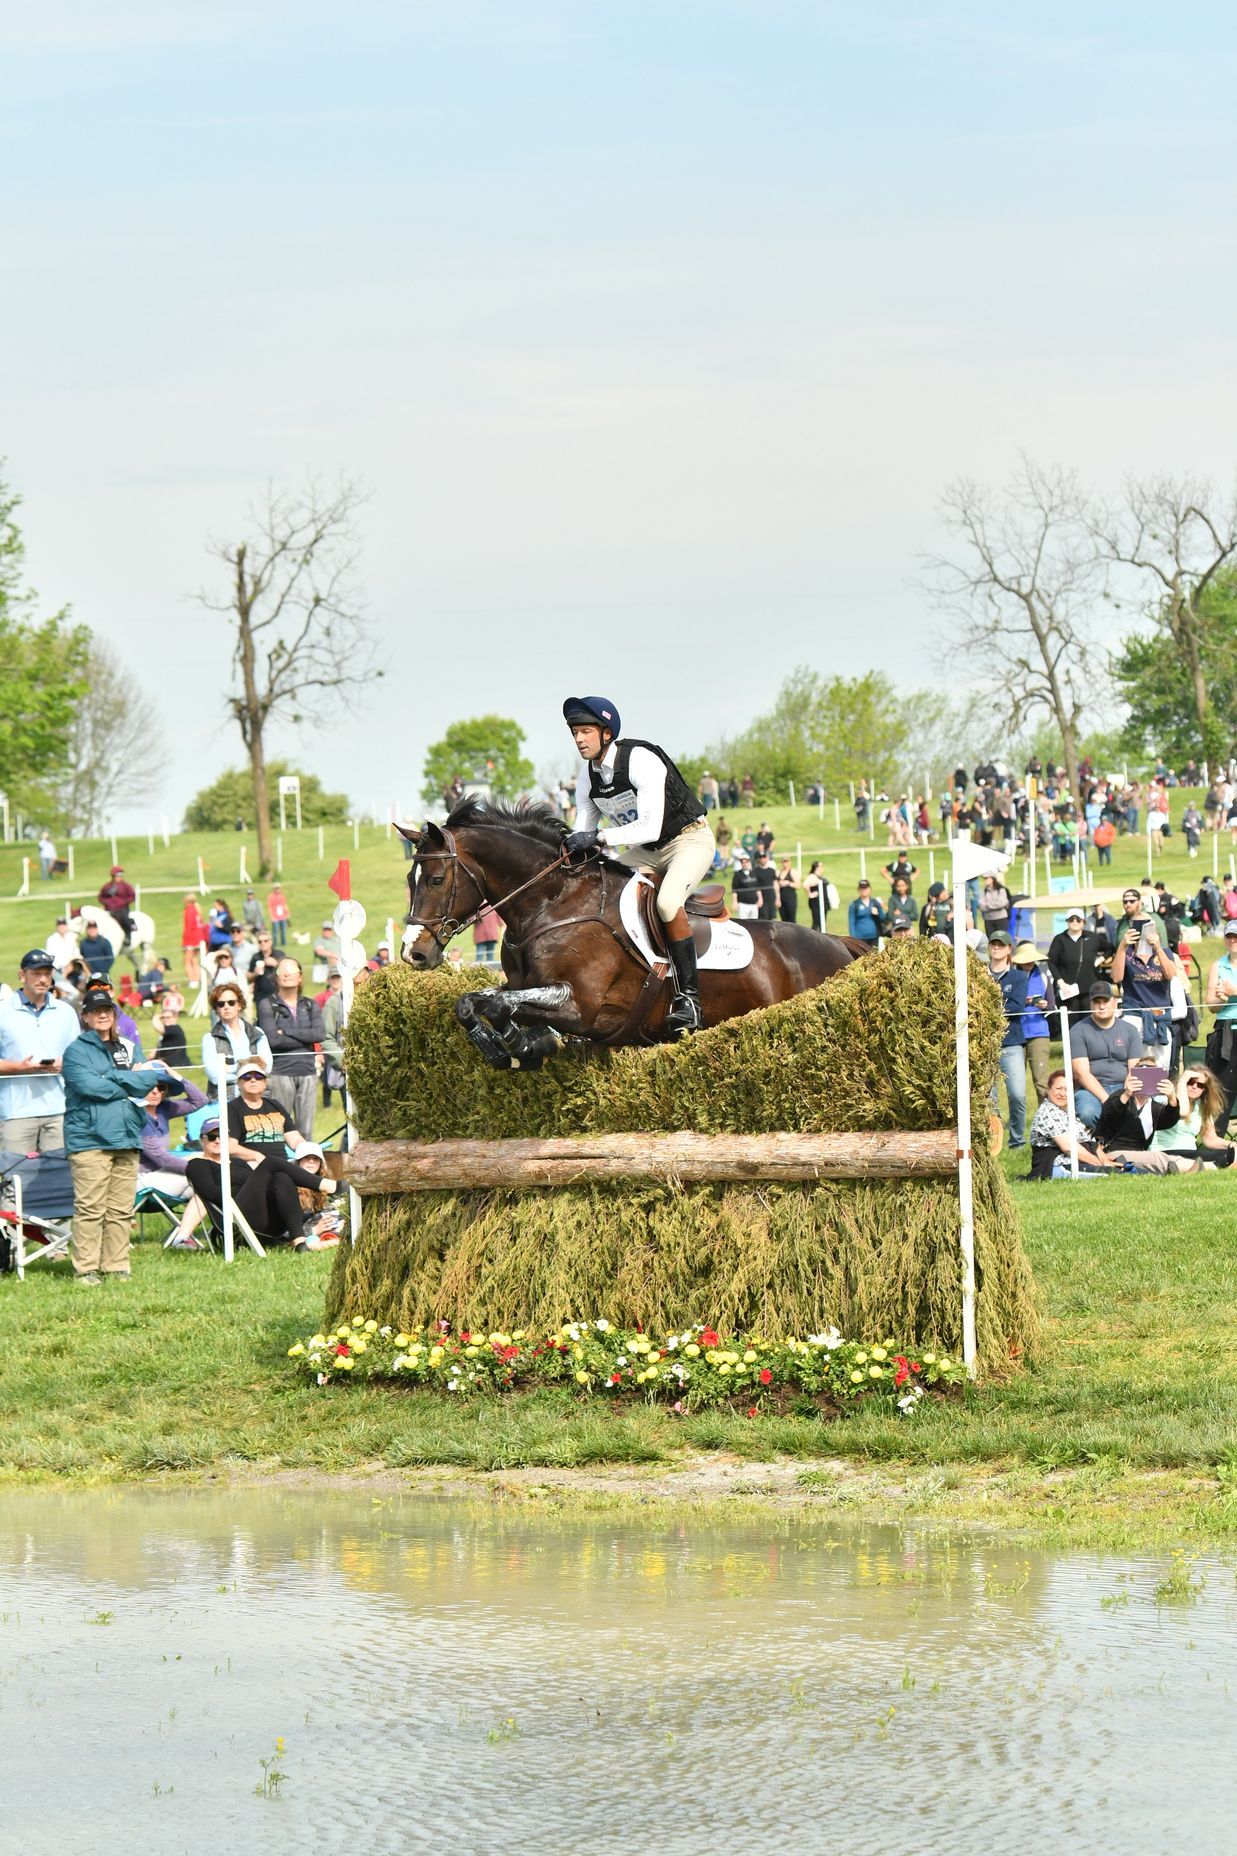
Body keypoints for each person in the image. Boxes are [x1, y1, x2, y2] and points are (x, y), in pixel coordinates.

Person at [561, 695, 716, 1035]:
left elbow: (648, 826)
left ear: (606, 733)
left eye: (585, 731)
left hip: (688, 841)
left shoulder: (640, 759)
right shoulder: (588, 778)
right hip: (647, 851)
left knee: (666, 902)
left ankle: (689, 1001)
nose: (578, 739)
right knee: (597, 889)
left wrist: (598, 840)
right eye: (574, 732)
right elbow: (583, 832)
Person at [61, 989, 164, 1283]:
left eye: (107, 1009)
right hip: (90, 1139)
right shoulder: (76, 1051)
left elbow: (148, 1081)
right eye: (96, 1011)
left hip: (128, 1135)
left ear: (115, 1014)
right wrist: (127, 1079)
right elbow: (90, 1087)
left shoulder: (130, 1047)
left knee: (120, 1209)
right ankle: (87, 1269)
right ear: (86, 1017)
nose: (102, 1014)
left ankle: (117, 1266)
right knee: (91, 1208)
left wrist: (115, 1078)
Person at [179, 1117, 339, 1251]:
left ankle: (299, 1243)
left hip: (266, 1219)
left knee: (281, 1178)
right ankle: (331, 1186)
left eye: (222, 1136)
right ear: (202, 1140)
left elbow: (259, 1188)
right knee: (270, 1162)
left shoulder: (238, 1163)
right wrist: (245, 1188)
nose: (218, 1140)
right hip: (234, 1218)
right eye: (212, 1137)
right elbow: (210, 1193)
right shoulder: (198, 1164)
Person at [0, 949, 81, 1151]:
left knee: (58, 1178)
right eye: (36, 973)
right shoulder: (3, 1012)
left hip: (59, 1109)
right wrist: (19, 1067)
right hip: (15, 1111)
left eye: (47, 973)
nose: (43, 979)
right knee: (16, 1178)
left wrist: (66, 1063)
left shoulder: (66, 1012)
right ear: (22, 975)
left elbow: (80, 1057)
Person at [257, 958, 326, 1137]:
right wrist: (304, 1038)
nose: (286, 975)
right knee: (278, 1129)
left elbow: (319, 1034)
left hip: (308, 1072)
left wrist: (285, 1031)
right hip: (281, 1072)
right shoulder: (267, 1004)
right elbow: (272, 1040)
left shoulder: (310, 1005)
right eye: (282, 972)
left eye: (291, 971)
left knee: (306, 1131)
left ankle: (304, 1164)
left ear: (300, 977)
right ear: (277, 978)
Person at [1109, 887, 1174, 1060]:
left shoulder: (1164, 952)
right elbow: (1116, 978)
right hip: (1134, 1014)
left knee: (1161, 1067)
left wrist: (1158, 947)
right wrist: (1122, 947)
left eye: (1147, 927)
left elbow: (1170, 975)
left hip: (1159, 1014)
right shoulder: (1127, 953)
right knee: (1135, 1064)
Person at [1069, 981, 1142, 1130]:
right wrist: (1108, 1100)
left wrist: (1125, 1095)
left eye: (1105, 1001)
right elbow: (1081, 1074)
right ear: (1090, 1004)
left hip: (1126, 1087)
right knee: (1087, 1112)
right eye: (1097, 1002)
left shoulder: (1130, 1030)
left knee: (1152, 1105)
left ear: (1114, 1002)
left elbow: (1135, 1069)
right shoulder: (1078, 1031)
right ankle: (1098, 1143)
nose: (1101, 1006)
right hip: (1091, 1090)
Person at [1028, 1070, 1121, 1179]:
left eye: (1067, 1090)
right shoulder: (1047, 1113)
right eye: (1058, 1089)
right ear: (1048, 1090)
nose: (1062, 1094)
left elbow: (1088, 1141)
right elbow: (1069, 1147)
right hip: (1056, 1167)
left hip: (1075, 1162)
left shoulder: (1066, 1112)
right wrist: (1101, 1165)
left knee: (1123, 1165)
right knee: (1112, 1173)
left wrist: (1104, 1159)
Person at [139, 1071, 209, 1201]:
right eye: (149, 1087)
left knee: (208, 1163)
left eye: (160, 1087)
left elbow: (200, 1100)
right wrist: (200, 1169)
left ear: (165, 1091)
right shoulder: (138, 1117)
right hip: (144, 1178)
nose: (155, 1092)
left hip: (163, 1172)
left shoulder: (163, 1109)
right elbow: (162, 1159)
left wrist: (176, 1076)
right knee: (204, 1178)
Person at [1095, 1068, 1181, 1172]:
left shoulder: (1153, 1106)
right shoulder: (1120, 1096)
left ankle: (1202, 1166)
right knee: (1158, 1158)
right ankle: (1187, 1168)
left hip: (1138, 1156)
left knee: (1171, 1158)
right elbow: (1108, 1116)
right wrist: (1126, 1094)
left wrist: (1172, 1097)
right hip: (1113, 1155)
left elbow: (1168, 1122)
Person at [1151, 1066, 1236, 1170]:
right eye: (1190, 1082)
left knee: (1230, 1153)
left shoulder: (1201, 1106)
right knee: (1222, 1157)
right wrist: (1182, 1081)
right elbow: (1182, 1112)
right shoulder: (1169, 1099)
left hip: (1191, 1153)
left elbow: (1210, 1139)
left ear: (1205, 1089)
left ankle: (1191, 1168)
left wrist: (1232, 1144)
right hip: (1164, 1152)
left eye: (1200, 1085)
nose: (1195, 1086)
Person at [988, 932, 1028, 1148]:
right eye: (993, 944)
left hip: (1011, 1043)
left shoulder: (1019, 977)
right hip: (986, 1045)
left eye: (1000, 945)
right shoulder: (979, 974)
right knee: (989, 1098)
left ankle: (1018, 1140)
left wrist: (989, 1007)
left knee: (1018, 1094)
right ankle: (994, 1141)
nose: (996, 948)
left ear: (1008, 949)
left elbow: (1017, 1007)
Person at [201, 983, 273, 1096]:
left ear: (239, 1005)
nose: (226, 1007)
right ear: (216, 1009)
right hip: (226, 1101)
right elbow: (215, 1077)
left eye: (231, 1002)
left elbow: (267, 1068)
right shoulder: (209, 1039)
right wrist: (252, 1071)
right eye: (220, 1004)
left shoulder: (258, 1033)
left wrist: (229, 1068)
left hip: (258, 1099)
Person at [227, 1057, 307, 1157]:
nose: (253, 1080)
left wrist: (308, 1149)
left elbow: (294, 1139)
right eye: (247, 1077)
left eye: (258, 1076)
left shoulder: (275, 1106)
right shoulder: (231, 1109)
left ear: (265, 1083)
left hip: (281, 1164)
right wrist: (256, 1156)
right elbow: (230, 1147)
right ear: (239, 1083)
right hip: (250, 1165)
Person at [1204, 924, 1237, 1134]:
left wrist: (1235, 992)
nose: (1232, 940)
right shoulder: (1218, 966)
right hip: (1225, 1033)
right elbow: (1211, 1005)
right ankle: (1216, 1142)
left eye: (1236, 936)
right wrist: (1222, 999)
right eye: (1229, 936)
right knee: (1223, 1088)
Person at [1010, 941, 1052, 1100]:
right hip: (1015, 1033)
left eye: (1032, 959)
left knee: (1042, 1083)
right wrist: (1022, 1002)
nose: (1029, 962)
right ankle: (1017, 1124)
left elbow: (1052, 1006)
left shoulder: (1043, 976)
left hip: (1039, 1032)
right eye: (1026, 959)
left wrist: (1044, 1005)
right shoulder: (1010, 976)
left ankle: (1046, 1119)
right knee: (1016, 1085)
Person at [98, 865, 137, 946]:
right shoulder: (107, 887)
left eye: (120, 876)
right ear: (112, 876)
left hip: (122, 909)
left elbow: (132, 896)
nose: (119, 877)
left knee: (124, 919)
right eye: (117, 876)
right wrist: (106, 902)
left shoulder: (126, 886)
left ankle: (127, 937)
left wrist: (123, 902)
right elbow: (101, 897)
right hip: (109, 909)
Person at [151, 997, 190, 1068]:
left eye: (168, 1017)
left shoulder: (174, 1029)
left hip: (176, 1063)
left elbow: (158, 1027)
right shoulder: (169, 1030)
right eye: (163, 1018)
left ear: (175, 1018)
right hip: (168, 1062)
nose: (165, 1020)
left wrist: (156, 1017)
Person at [847, 879, 886, 947]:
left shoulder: (875, 903)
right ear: (858, 889)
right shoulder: (854, 905)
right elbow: (851, 923)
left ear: (870, 889)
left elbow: (883, 918)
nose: (864, 890)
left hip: (874, 936)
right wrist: (853, 938)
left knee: (874, 956)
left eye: (865, 888)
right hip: (860, 937)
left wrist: (877, 914)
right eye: (862, 888)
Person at [248, 930, 281, 1005]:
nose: (263, 943)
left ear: (271, 942)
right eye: (260, 941)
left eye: (265, 941)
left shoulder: (279, 955)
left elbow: (288, 972)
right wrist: (255, 974)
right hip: (261, 996)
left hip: (278, 994)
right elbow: (248, 976)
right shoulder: (256, 957)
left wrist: (276, 964)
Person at [181, 893, 207, 987]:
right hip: (198, 938)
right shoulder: (197, 909)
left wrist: (184, 941)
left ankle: (192, 980)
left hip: (190, 939)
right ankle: (197, 978)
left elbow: (189, 926)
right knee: (194, 960)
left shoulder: (188, 910)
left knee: (187, 961)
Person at [731, 855, 760, 921]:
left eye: (746, 862)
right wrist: (735, 902)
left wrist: (760, 899)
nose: (744, 864)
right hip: (743, 905)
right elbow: (734, 890)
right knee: (743, 924)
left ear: (749, 862)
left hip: (754, 904)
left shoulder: (754, 873)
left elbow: (758, 888)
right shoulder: (737, 874)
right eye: (742, 862)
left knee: (755, 924)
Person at [804, 861, 828, 932]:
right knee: (817, 922)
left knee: (822, 922)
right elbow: (805, 885)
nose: (822, 868)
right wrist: (810, 894)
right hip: (816, 903)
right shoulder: (812, 876)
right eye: (821, 866)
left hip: (823, 902)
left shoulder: (820, 877)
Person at [267, 884, 291, 948]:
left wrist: (287, 913)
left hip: (282, 916)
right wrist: (271, 917)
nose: (278, 890)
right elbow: (269, 907)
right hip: (275, 917)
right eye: (276, 888)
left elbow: (284, 905)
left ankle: (284, 943)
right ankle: (274, 944)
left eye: (279, 888)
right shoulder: (271, 897)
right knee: (275, 931)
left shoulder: (282, 896)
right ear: (274, 889)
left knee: (283, 931)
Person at [776, 859, 798, 923]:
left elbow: (798, 885)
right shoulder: (779, 872)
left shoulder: (793, 872)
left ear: (790, 862)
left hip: (790, 897)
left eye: (786, 861)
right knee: (783, 919)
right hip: (781, 897)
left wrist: (788, 883)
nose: (785, 863)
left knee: (791, 918)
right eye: (783, 861)